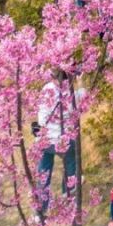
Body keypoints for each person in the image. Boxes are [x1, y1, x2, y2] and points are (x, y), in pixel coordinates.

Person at [35, 72, 85, 213]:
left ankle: (41, 209)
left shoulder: (47, 88)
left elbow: (41, 119)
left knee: (43, 173)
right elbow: (80, 104)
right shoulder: (71, 92)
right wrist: (81, 84)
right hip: (64, 140)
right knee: (71, 168)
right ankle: (68, 197)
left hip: (45, 139)